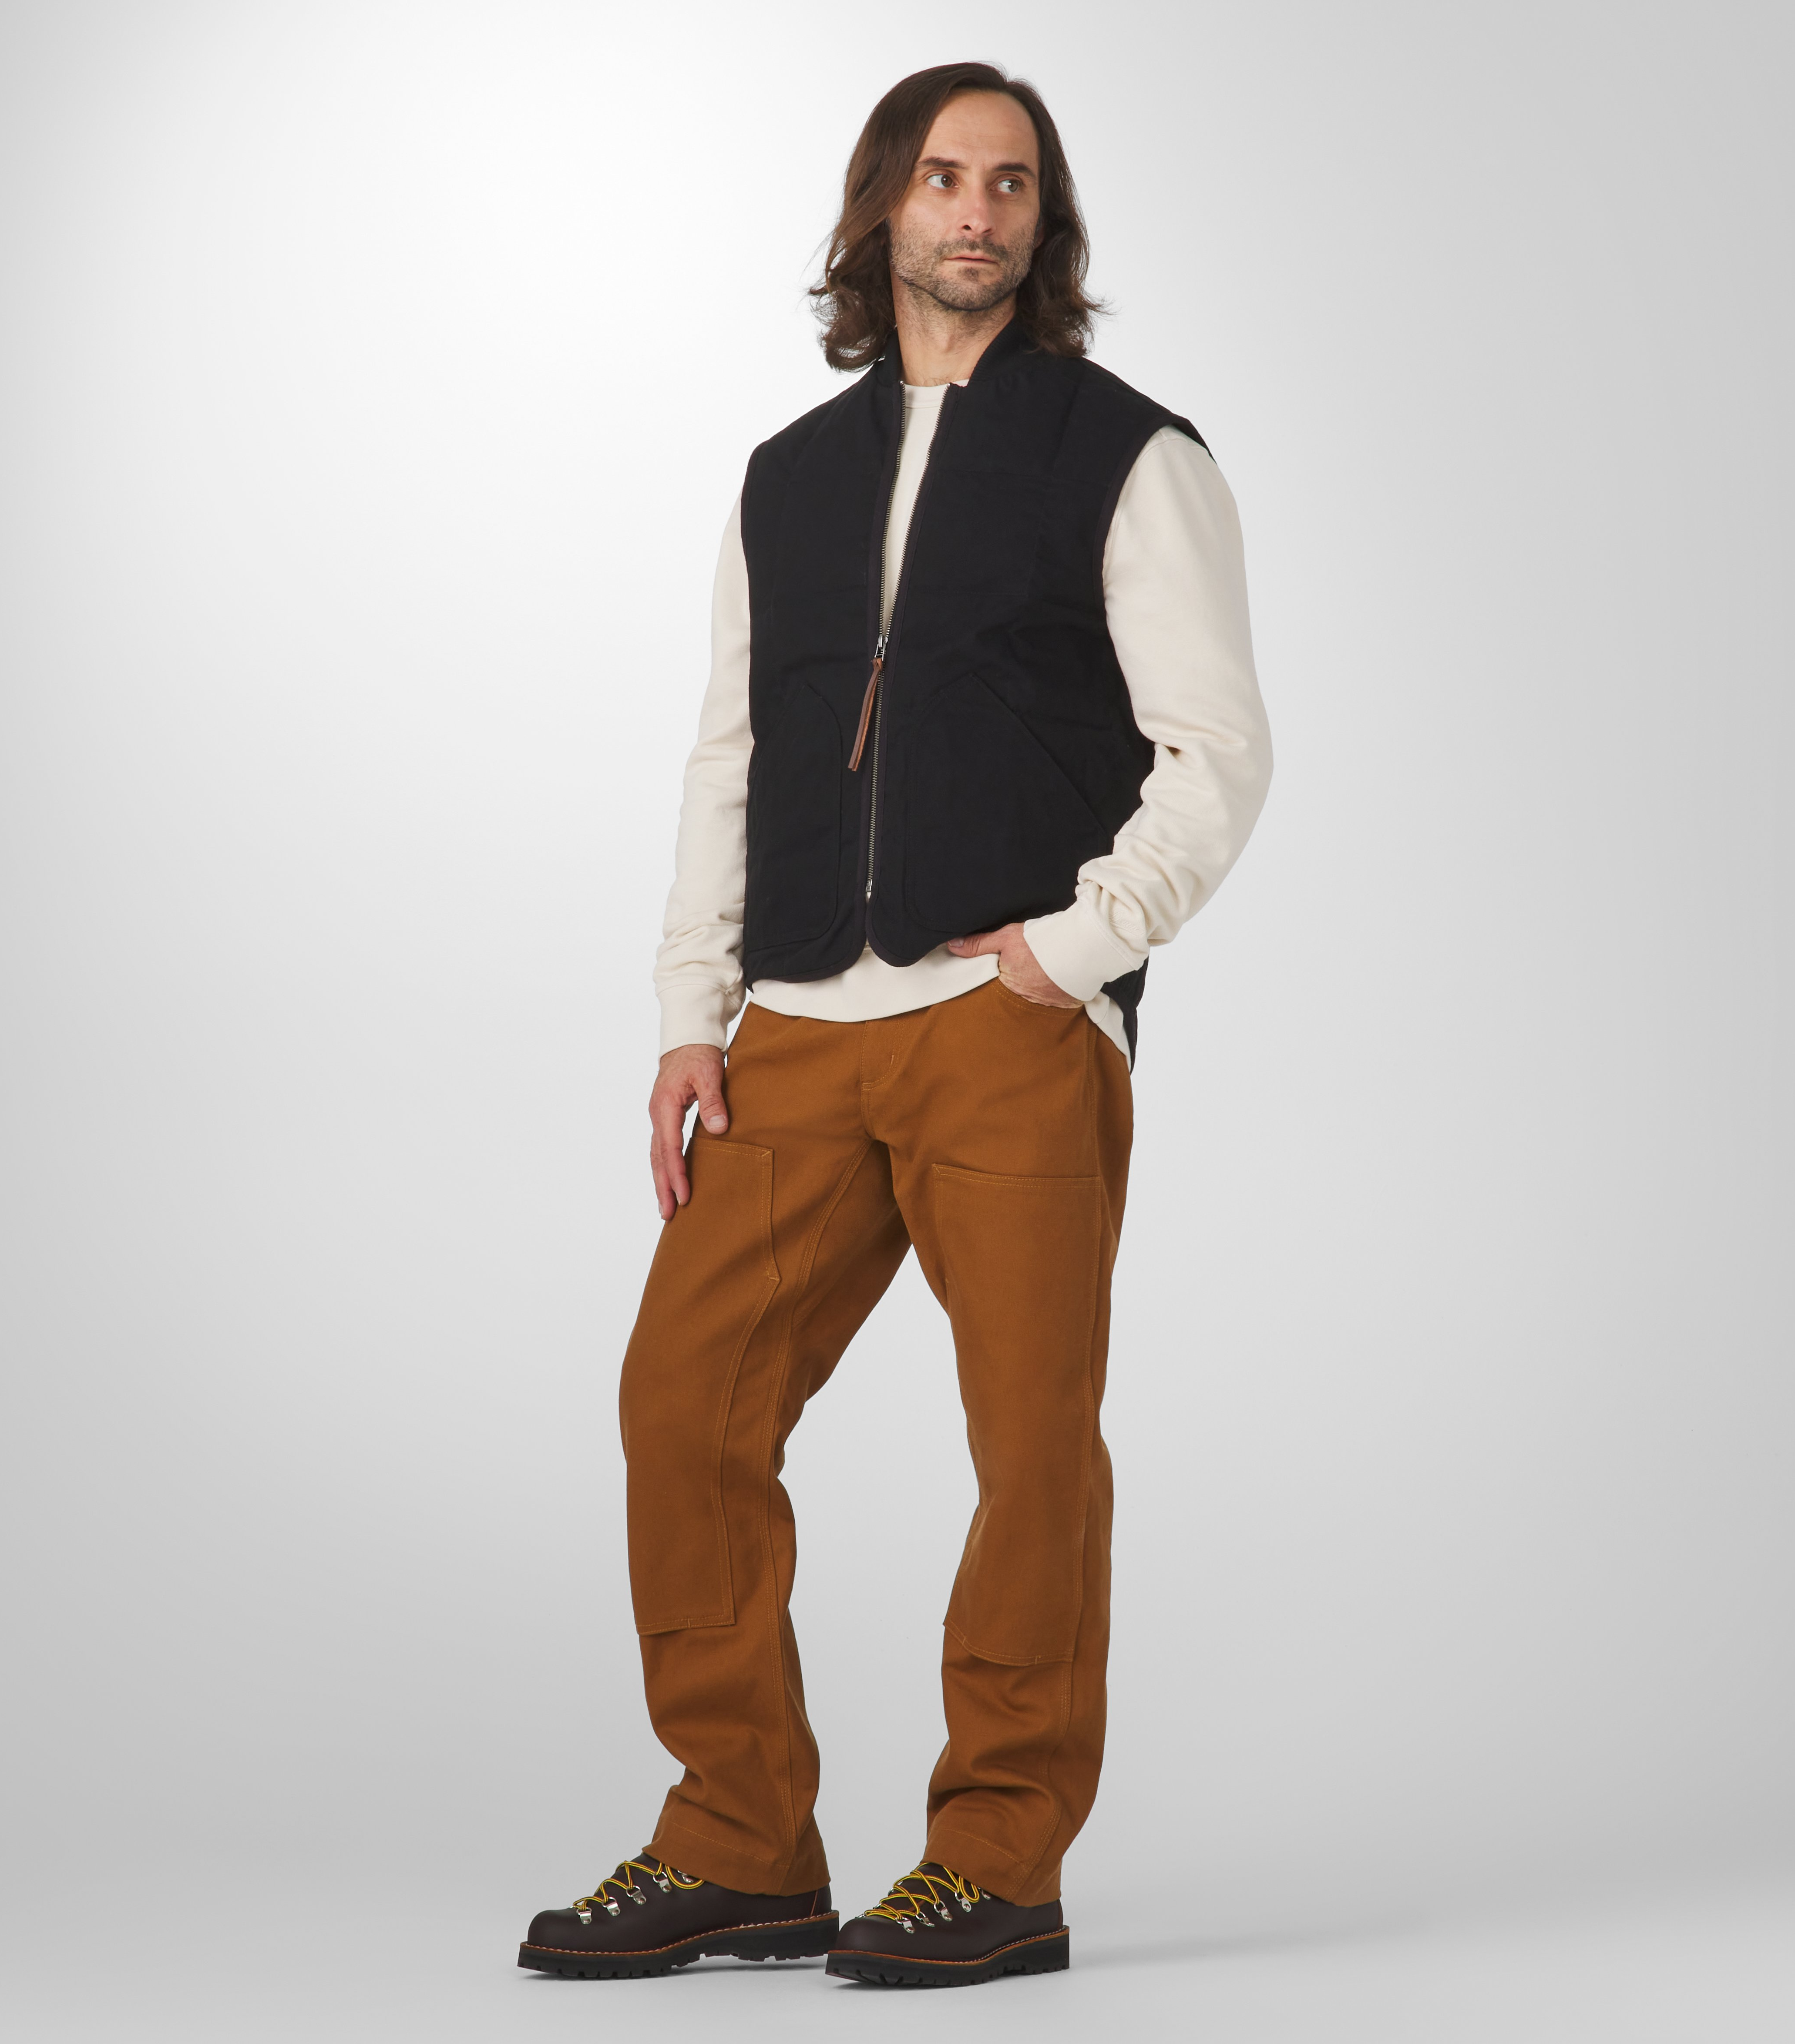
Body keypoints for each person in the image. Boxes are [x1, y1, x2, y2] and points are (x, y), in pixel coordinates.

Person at [517, 59, 1272, 1989]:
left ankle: (999, 1859)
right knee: (683, 1404)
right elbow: (731, 754)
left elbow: (1215, 753)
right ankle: (742, 1843)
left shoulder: (1128, 454)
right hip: (794, 1028)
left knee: (1030, 1449)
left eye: (1011, 183)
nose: (976, 211)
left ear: (1044, 221)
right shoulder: (788, 474)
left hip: (1003, 1026)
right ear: (882, 208)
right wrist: (692, 1014)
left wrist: (1074, 953)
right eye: (944, 177)